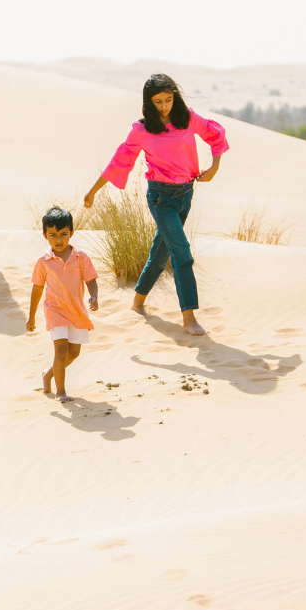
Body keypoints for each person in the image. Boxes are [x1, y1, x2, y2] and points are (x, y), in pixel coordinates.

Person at [83, 73, 228, 336]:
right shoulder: (141, 129)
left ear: (176, 97)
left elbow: (214, 135)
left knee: (161, 253)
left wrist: (215, 167)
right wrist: (93, 191)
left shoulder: (188, 119)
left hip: (186, 194)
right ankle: (189, 319)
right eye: (158, 101)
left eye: (168, 100)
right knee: (182, 254)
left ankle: (137, 302)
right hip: (160, 198)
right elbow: (120, 161)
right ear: (148, 102)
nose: (163, 106)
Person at [27, 206, 99, 402]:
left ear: (71, 233)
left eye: (63, 234)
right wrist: (31, 316)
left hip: (77, 311)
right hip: (55, 310)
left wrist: (94, 296)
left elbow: (91, 279)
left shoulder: (81, 257)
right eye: (53, 235)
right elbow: (37, 289)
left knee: (74, 352)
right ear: (45, 236)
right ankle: (60, 391)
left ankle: (49, 374)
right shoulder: (43, 262)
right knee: (61, 350)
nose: (58, 239)